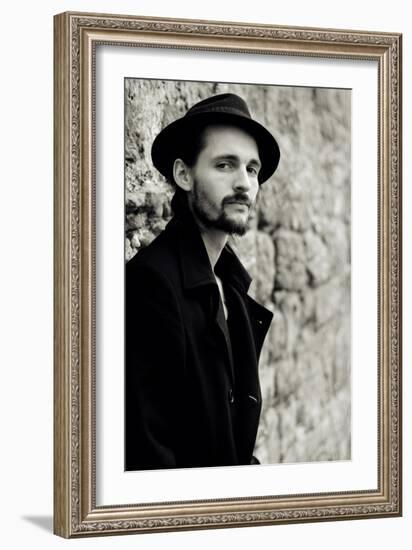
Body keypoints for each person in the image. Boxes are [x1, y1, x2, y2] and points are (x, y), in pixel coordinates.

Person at [125, 93, 280, 470]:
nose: (244, 183)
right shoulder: (152, 284)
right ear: (184, 174)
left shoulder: (230, 281)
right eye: (225, 165)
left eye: (252, 169)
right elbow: (150, 455)